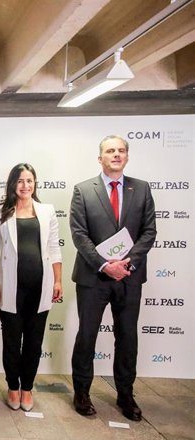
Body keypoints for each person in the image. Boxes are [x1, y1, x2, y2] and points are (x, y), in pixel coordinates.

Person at [70, 135, 156, 421]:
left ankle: (126, 394)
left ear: (127, 156)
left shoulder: (141, 189)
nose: (116, 155)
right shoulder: (83, 190)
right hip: (94, 278)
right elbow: (79, 234)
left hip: (129, 277)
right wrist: (105, 265)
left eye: (121, 151)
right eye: (110, 151)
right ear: (100, 158)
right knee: (87, 337)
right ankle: (81, 392)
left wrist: (127, 262)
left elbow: (149, 232)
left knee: (127, 337)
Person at [0, 164, 62, 412]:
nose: (25, 186)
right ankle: (12, 386)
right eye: (20, 181)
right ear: (12, 184)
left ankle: (27, 388)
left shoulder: (46, 211)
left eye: (29, 180)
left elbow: (54, 249)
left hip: (40, 286)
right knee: (11, 341)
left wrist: (58, 280)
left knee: (34, 341)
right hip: (11, 287)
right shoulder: (1, 212)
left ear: (35, 183)